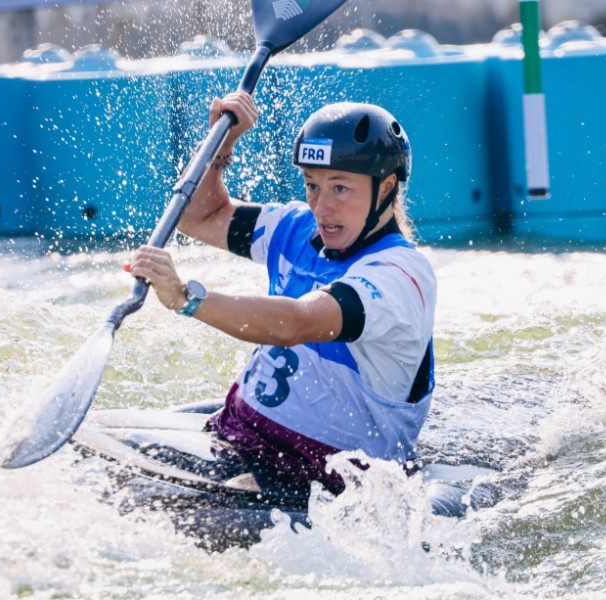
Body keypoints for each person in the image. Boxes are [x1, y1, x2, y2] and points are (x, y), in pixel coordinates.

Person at [124, 92, 436, 496]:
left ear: (386, 188)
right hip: (243, 433)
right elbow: (198, 217)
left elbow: (297, 322)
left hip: (327, 472)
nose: (321, 208)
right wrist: (222, 143)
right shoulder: (296, 228)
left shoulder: (401, 276)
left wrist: (187, 298)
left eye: (340, 188)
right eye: (312, 186)